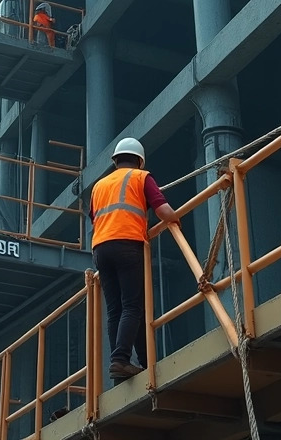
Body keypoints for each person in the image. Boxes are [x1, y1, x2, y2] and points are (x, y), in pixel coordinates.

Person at [89, 137, 179, 380]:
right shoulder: (142, 177)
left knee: (115, 310)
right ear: (139, 160)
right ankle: (120, 360)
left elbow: (94, 218)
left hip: (100, 249)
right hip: (127, 244)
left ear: (116, 160)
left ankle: (132, 362)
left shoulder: (99, 186)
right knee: (132, 306)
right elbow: (162, 210)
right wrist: (176, 220)